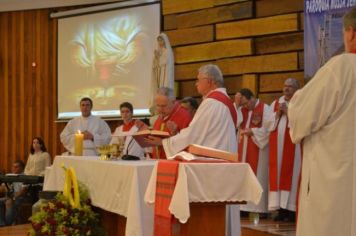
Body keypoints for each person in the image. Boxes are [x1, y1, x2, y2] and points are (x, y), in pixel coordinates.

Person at [145, 64, 239, 235]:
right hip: (223, 162)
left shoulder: (211, 103)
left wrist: (164, 143)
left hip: (210, 166)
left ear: (209, 81)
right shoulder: (227, 102)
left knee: (208, 215)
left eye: (198, 80)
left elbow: (193, 134)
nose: (196, 84)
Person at [288, 7, 356, 236]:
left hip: (335, 184)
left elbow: (302, 116)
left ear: (350, 33)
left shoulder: (340, 68)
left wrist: (296, 99)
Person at [265, 78, 301, 221]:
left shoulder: (300, 102)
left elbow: (304, 120)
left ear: (297, 89)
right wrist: (278, 114)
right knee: (278, 176)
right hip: (278, 149)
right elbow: (267, 124)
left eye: (290, 87)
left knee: (291, 177)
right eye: (285, 86)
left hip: (294, 148)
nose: (286, 89)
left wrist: (289, 113)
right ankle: (280, 209)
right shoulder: (276, 103)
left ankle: (291, 211)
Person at [236, 88, 269, 214]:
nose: (245, 106)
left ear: (253, 98)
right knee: (243, 177)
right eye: (242, 104)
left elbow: (268, 130)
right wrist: (237, 105)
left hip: (258, 150)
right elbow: (235, 122)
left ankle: (257, 209)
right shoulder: (242, 110)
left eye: (246, 103)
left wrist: (253, 132)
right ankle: (243, 207)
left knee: (258, 177)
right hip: (243, 149)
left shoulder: (265, 109)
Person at [147, 87, 192, 159]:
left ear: (173, 102)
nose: (160, 109)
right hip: (157, 162)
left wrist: (163, 141)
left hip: (174, 163)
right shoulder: (161, 116)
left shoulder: (184, 116)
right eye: (158, 105)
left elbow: (186, 144)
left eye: (163, 106)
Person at [151, 33, 174, 106]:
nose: (160, 42)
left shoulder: (167, 51)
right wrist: (156, 57)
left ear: (164, 41)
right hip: (159, 74)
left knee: (163, 89)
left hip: (164, 75)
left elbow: (165, 62)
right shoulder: (158, 51)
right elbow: (155, 65)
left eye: (161, 40)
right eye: (159, 41)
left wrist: (159, 58)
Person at [0, 160, 26, 226]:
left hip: (20, 197)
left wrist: (13, 197)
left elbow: (23, 190)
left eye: (16, 167)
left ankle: (7, 224)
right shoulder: (9, 176)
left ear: (22, 168)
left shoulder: (25, 176)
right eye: (13, 167)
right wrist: (6, 187)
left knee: (9, 202)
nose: (14, 168)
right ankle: (1, 224)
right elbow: (2, 188)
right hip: (9, 196)